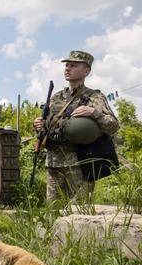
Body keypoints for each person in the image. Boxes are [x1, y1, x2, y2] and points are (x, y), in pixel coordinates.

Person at [33, 50, 119, 202]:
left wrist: (94, 112)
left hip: (79, 164)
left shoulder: (94, 97)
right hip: (54, 164)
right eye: (67, 65)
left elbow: (113, 125)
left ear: (86, 70)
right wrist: (40, 125)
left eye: (73, 65)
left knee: (78, 213)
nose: (67, 68)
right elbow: (49, 127)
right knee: (52, 212)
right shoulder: (56, 97)